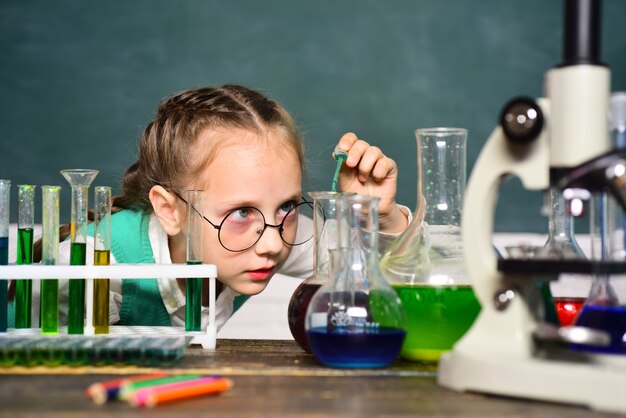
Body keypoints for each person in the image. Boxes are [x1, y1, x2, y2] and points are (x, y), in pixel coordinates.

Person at [13, 84, 410, 330]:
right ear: (170, 211)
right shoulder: (99, 271)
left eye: (288, 205)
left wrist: (379, 217)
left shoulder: (270, 233)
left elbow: (381, 273)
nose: (271, 244)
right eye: (241, 212)